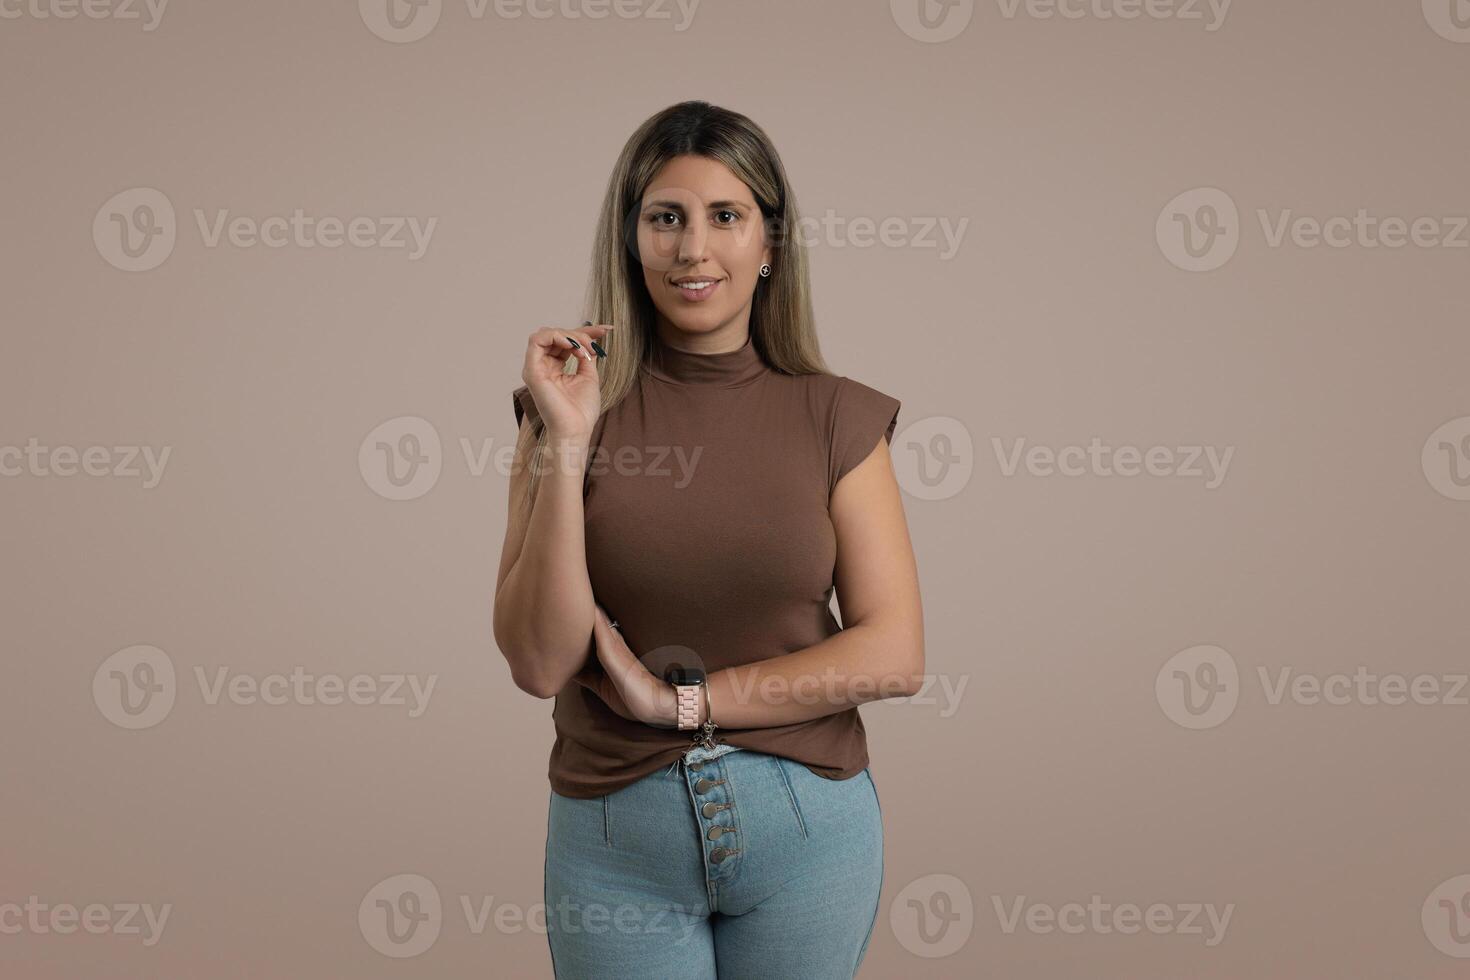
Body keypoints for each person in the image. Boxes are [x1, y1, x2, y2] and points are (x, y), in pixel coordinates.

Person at [492, 99, 924, 979]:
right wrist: (568, 441)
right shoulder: (564, 412)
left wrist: (678, 704)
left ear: (770, 243)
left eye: (725, 216)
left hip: (809, 833)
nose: (693, 248)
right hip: (616, 839)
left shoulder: (838, 417)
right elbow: (540, 663)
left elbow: (895, 653)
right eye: (665, 218)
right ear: (631, 238)